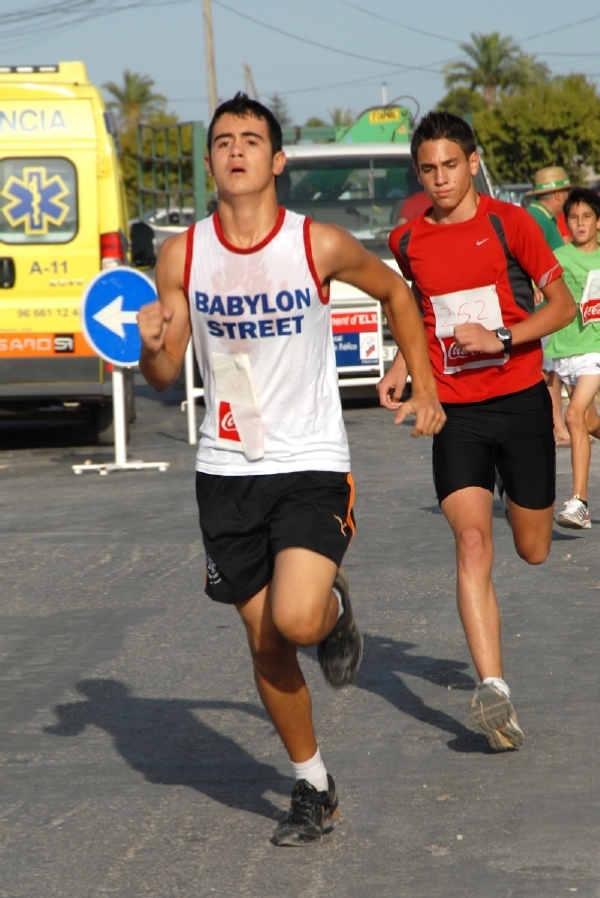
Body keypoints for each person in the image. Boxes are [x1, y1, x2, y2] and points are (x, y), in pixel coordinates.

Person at [138, 93, 445, 846]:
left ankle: (333, 609)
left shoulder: (317, 243)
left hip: (309, 460)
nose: (235, 150)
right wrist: (151, 343)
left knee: (298, 619)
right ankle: (313, 784)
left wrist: (425, 381)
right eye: (222, 141)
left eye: (251, 139)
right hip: (225, 469)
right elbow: (165, 373)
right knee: (268, 645)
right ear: (209, 161)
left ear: (277, 160)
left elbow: (395, 291)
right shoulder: (182, 255)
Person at [379, 111, 575, 751]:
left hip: (519, 401)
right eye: (427, 169)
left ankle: (530, 493)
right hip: (456, 410)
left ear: (473, 162)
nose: (440, 179)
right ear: (418, 173)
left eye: (450, 165)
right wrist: (404, 363)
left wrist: (502, 338)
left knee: (533, 548)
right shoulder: (407, 240)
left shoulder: (510, 223)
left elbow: (562, 306)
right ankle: (495, 692)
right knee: (470, 542)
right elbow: (417, 310)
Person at [543, 187, 600, 528]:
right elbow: (541, 290)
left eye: (587, 217)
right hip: (564, 350)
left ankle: (579, 503)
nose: (580, 223)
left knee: (574, 415)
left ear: (598, 222)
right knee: (590, 422)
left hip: (596, 350)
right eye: (574, 217)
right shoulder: (557, 257)